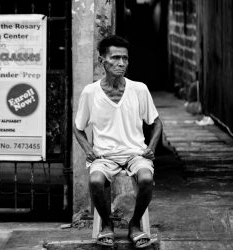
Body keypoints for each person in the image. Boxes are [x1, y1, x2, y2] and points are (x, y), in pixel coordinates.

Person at [73, 35, 162, 248]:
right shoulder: (90, 92)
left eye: (125, 58)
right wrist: (88, 149)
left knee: (146, 179)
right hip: (104, 155)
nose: (121, 63)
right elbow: (78, 128)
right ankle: (106, 225)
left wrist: (150, 148)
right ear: (101, 60)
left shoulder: (139, 89)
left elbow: (156, 123)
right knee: (95, 181)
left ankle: (134, 225)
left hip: (135, 154)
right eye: (115, 58)